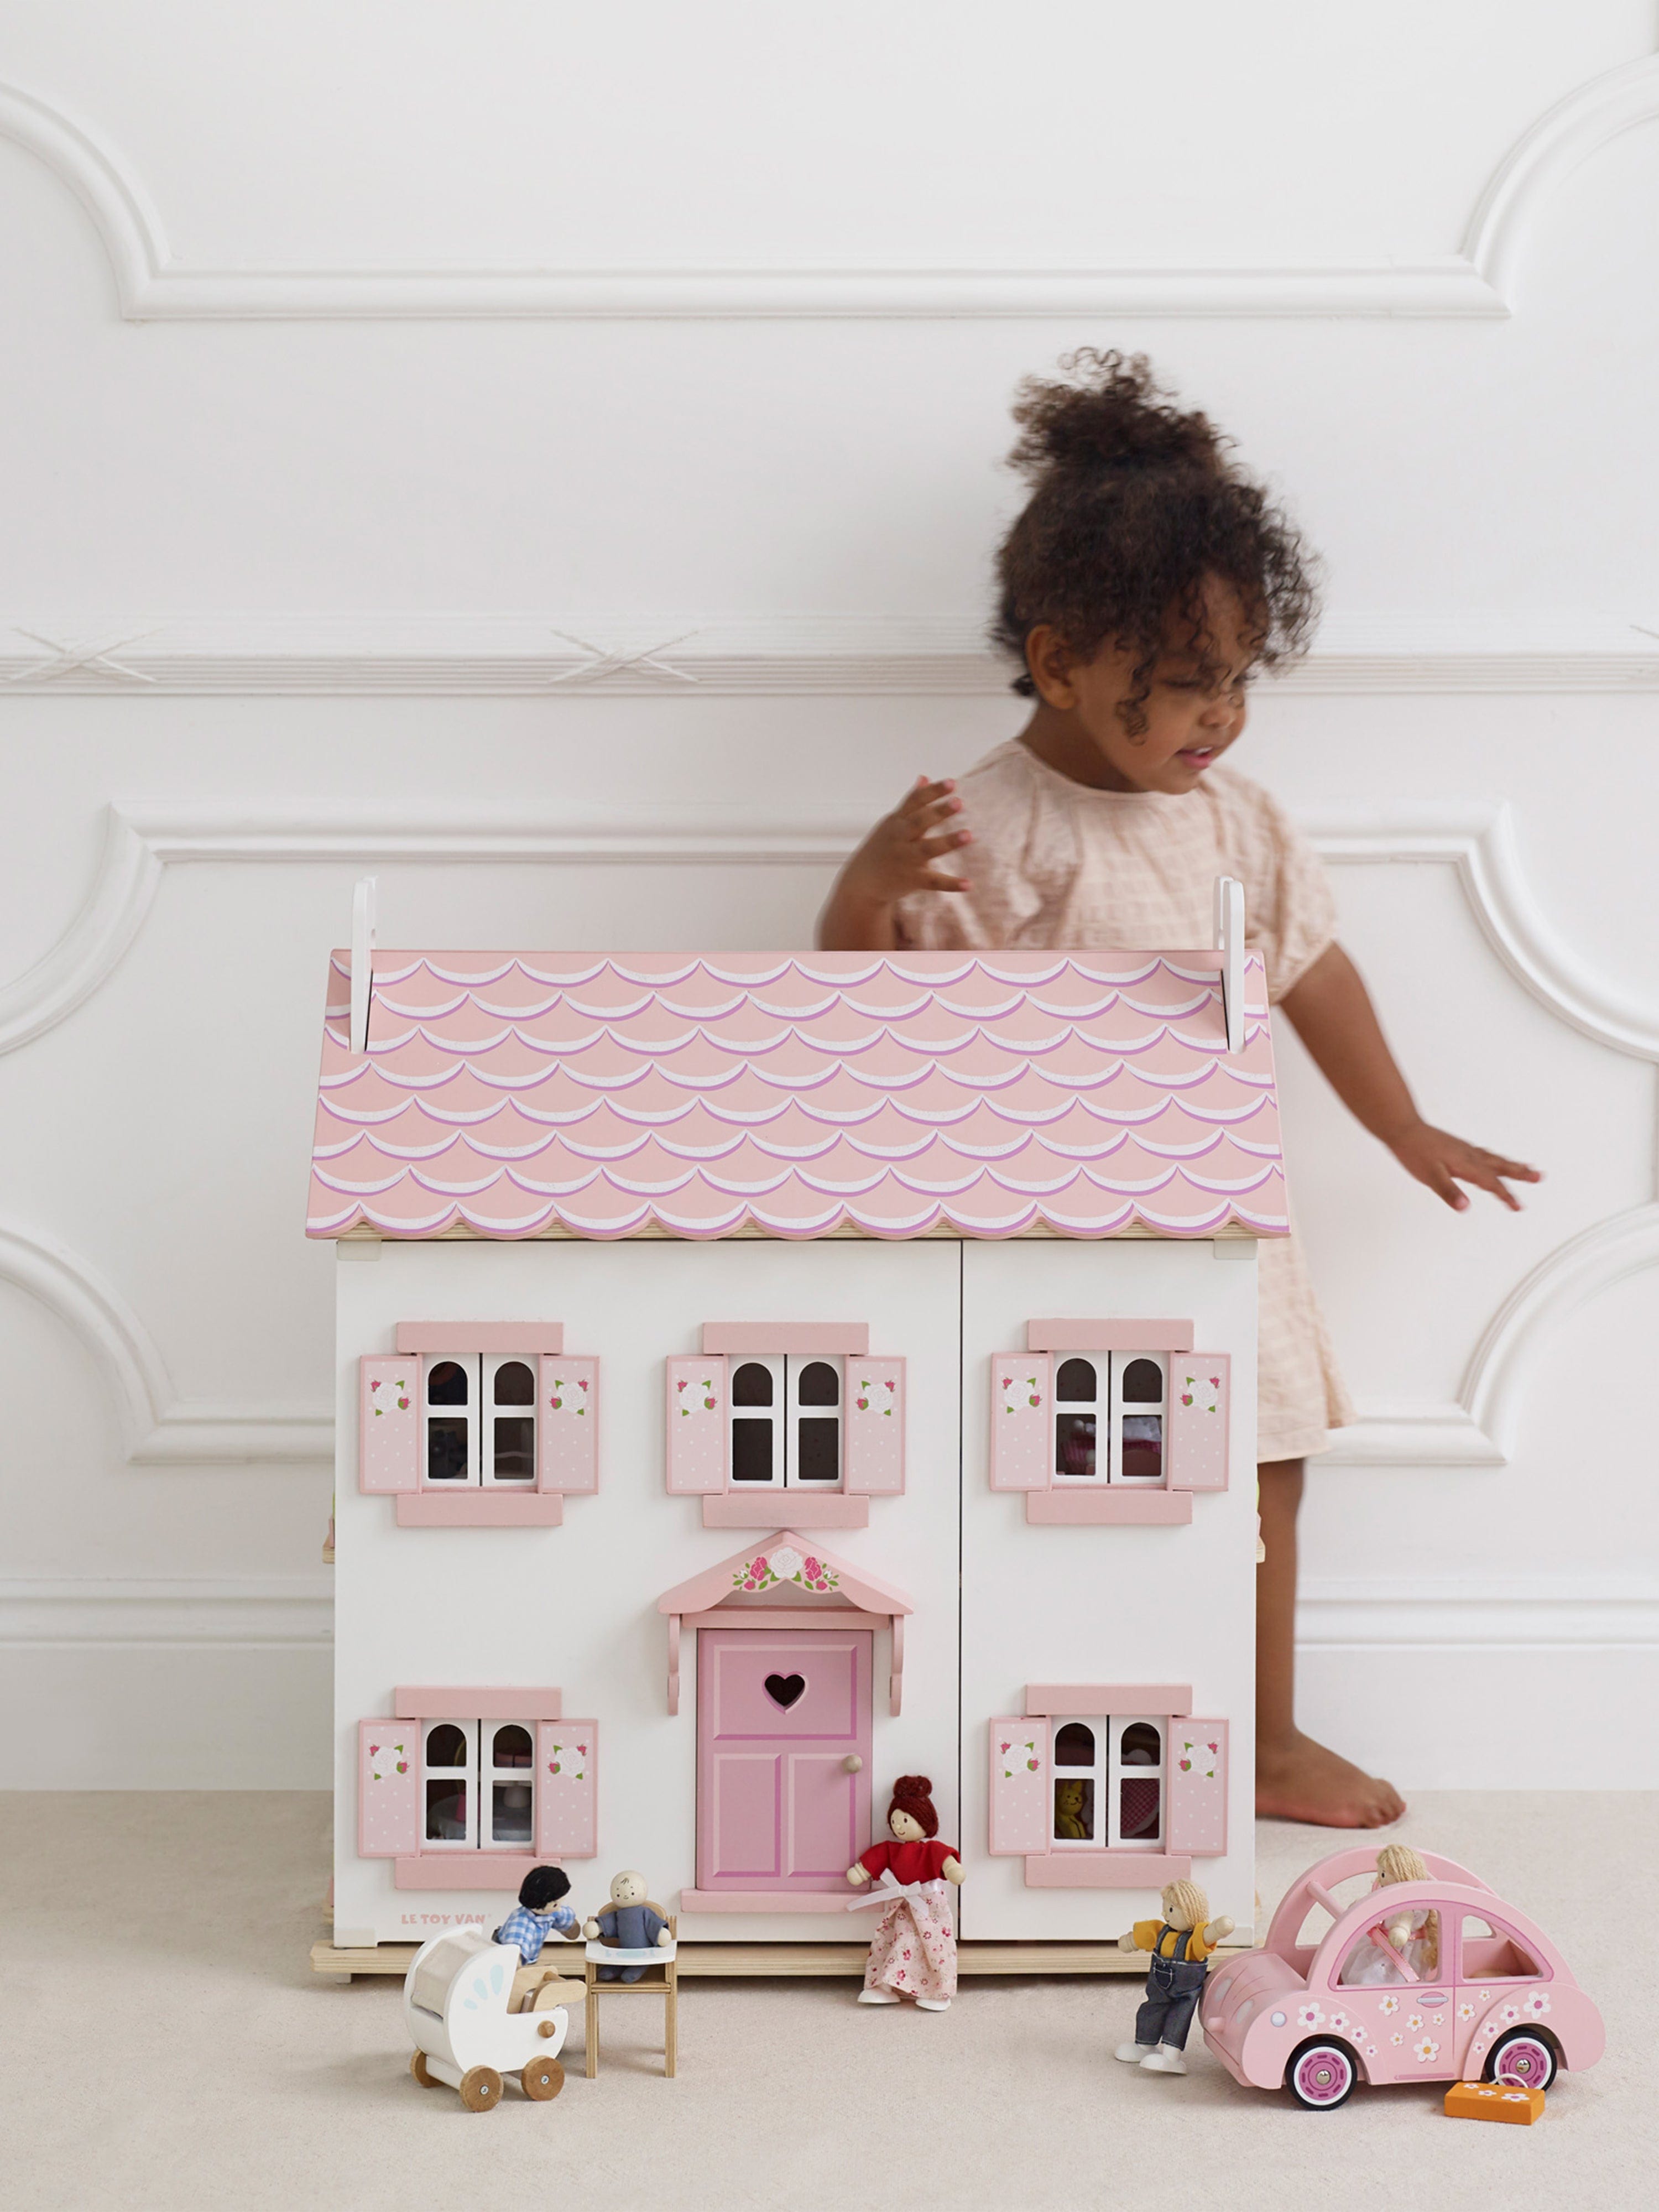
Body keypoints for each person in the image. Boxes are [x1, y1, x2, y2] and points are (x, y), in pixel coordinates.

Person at [818, 350, 1540, 1828]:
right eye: (1184, 681)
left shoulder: (1234, 821)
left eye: (1238, 679)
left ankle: (1261, 1738)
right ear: (1062, 662)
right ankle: (1020, 1728)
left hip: (1218, 1222)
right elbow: (878, 1021)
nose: (1221, 715)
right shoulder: (992, 827)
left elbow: (1311, 969)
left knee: (1265, 1471)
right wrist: (863, 891)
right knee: (1044, 1492)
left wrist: (1399, 1124)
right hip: (1046, 1230)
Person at [846, 1773, 963, 2011]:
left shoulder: (931, 1849)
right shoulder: (891, 1849)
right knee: (893, 1941)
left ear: (923, 1822)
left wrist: (953, 1869)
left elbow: (947, 1863)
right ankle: (883, 1986)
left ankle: (938, 1992)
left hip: (929, 1907)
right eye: (895, 1821)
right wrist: (860, 1871)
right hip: (902, 1906)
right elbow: (874, 1860)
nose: (898, 1826)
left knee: (934, 1946)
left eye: (905, 1820)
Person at [1116, 1880, 1236, 2074]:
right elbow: (1142, 1937)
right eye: (1165, 1909)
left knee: (1178, 2018)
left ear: (1191, 1912)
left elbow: (1208, 1935)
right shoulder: (1161, 1931)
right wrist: (1130, 1942)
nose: (1165, 1914)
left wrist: (1219, 1929)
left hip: (1184, 1993)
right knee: (1150, 2010)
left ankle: (1171, 2056)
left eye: (1171, 1910)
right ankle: (1145, 2045)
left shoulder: (1194, 1939)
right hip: (1158, 1987)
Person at [493, 1863, 583, 2012]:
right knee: (515, 1992)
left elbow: (571, 1929)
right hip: (509, 1964)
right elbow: (513, 1959)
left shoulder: (552, 1911)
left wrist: (572, 1927)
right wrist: (519, 1980)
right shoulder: (522, 1925)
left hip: (529, 1961)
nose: (559, 1906)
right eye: (557, 1903)